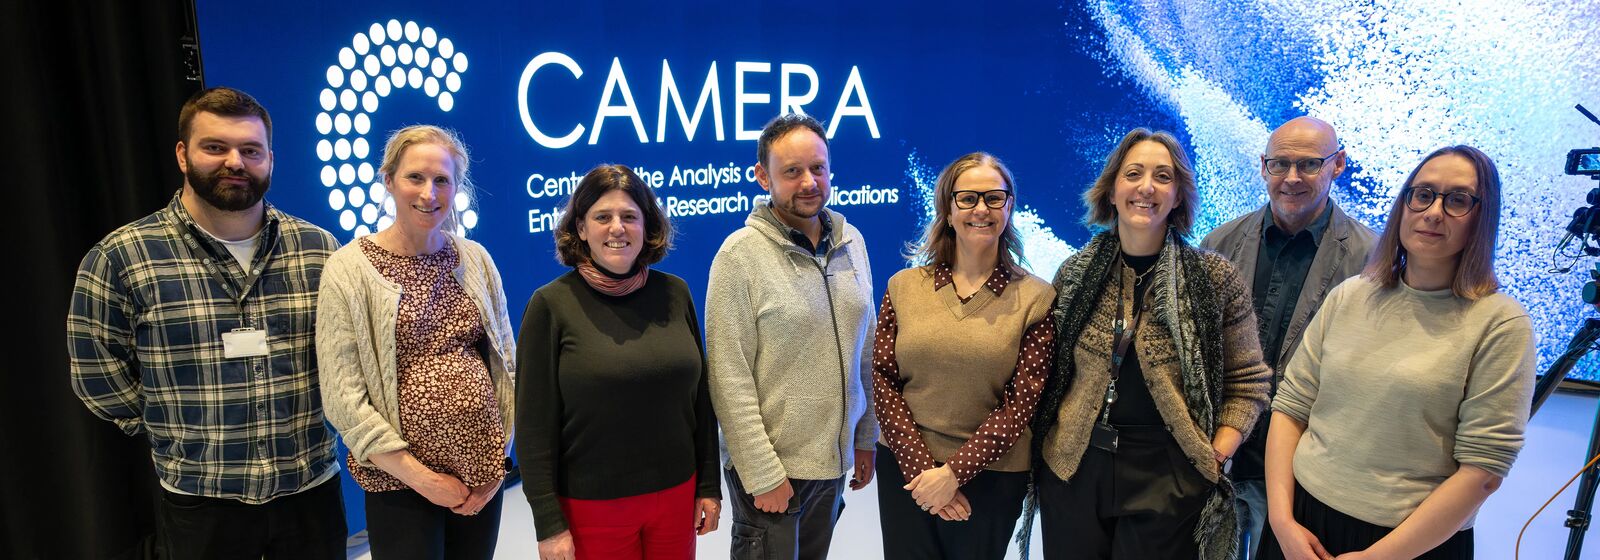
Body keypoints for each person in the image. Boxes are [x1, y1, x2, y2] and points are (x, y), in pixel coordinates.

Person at [66, 86, 346, 559]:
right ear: (183, 154)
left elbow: (346, 358)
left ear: (270, 160)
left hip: (310, 490)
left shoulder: (319, 250)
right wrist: (174, 426)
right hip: (200, 499)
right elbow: (96, 373)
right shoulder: (123, 256)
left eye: (250, 150)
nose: (235, 162)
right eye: (215, 147)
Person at [1262, 146, 1535, 560]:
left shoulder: (1500, 324)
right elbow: (1291, 408)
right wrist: (1282, 522)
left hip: (1410, 544)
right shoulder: (1351, 295)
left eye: (1457, 200)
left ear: (1483, 217)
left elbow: (1483, 471)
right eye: (1422, 194)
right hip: (1301, 525)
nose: (1433, 212)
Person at [1030, 128, 1272, 560]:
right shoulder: (1074, 274)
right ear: (1112, 189)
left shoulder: (1215, 279)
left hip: (1169, 472)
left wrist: (1214, 453)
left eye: (1163, 177)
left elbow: (1248, 381)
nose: (1146, 187)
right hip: (1075, 467)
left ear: (1178, 196)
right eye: (1133, 173)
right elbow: (1050, 374)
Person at [315, 125, 515, 559]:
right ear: (389, 180)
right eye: (415, 178)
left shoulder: (475, 258)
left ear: (457, 186)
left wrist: (498, 463)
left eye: (442, 180)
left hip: (480, 474)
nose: (430, 193)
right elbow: (343, 397)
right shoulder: (348, 269)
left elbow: (505, 366)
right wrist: (423, 479)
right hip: (399, 481)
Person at [517, 164, 721, 560]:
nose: (617, 228)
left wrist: (708, 486)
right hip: (593, 507)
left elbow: (701, 401)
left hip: (677, 496)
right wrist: (548, 522)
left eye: (630, 216)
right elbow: (533, 425)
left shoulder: (675, 293)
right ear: (580, 227)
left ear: (647, 226)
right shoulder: (551, 305)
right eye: (602, 216)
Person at [1200, 116, 1377, 559]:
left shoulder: (1372, 260)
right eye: (1280, 164)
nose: (1292, 178)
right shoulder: (1218, 243)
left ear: (1338, 164)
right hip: (1216, 452)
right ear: (1263, 167)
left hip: (1302, 468)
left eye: (1309, 165)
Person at [705, 112, 879, 559]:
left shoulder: (851, 241)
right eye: (792, 171)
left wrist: (864, 439)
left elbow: (867, 352)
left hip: (833, 464)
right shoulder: (739, 257)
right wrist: (763, 473)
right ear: (763, 176)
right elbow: (729, 378)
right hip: (773, 471)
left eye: (817, 168)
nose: (809, 182)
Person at [872, 152, 1055, 559]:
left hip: (992, 477)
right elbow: (883, 380)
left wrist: (953, 474)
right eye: (968, 198)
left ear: (1009, 206)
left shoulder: (1037, 299)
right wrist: (925, 472)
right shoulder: (903, 286)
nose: (981, 210)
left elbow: (1021, 405)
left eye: (994, 198)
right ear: (948, 209)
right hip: (907, 469)